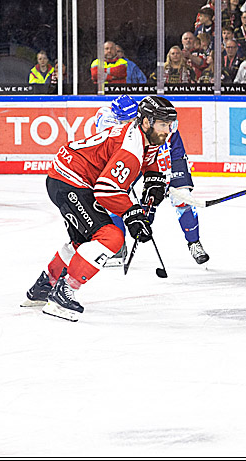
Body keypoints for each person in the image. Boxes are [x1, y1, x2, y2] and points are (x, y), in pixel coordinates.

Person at [21, 96, 177, 321]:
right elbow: (106, 190)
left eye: (170, 124)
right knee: (111, 237)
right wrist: (132, 214)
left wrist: (154, 179)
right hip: (70, 182)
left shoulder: (146, 136)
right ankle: (62, 295)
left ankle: (45, 286)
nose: (168, 130)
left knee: (84, 243)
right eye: (163, 124)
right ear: (145, 122)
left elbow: (149, 157)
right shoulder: (131, 148)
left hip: (65, 177)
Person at [94, 95, 209, 265]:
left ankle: (194, 242)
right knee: (112, 194)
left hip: (168, 154)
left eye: (134, 118)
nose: (132, 123)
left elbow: (160, 165)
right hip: (136, 153)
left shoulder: (158, 124)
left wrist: (152, 203)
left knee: (181, 197)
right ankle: (117, 248)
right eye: (127, 120)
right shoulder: (105, 119)